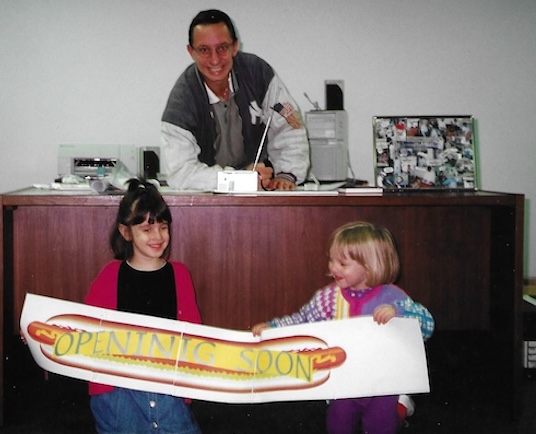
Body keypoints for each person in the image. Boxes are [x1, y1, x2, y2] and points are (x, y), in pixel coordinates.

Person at [252, 221, 435, 434]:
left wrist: (400, 314)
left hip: (384, 384)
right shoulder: (329, 297)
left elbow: (427, 325)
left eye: (343, 264)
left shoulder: (393, 297)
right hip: (344, 381)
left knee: (381, 426)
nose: (333, 268)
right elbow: (302, 320)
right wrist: (273, 328)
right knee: (338, 424)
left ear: (371, 266)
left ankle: (400, 407)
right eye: (331, 260)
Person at [84, 178, 202, 434]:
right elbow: (85, 327)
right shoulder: (110, 275)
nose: (158, 236)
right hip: (118, 393)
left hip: (167, 387)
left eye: (163, 227)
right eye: (147, 230)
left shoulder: (179, 274)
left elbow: (194, 333)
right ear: (126, 232)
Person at [161, 9, 310, 191]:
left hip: (263, 190)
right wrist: (239, 180)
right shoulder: (182, 99)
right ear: (191, 52)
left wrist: (286, 175)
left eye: (222, 48)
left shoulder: (258, 74)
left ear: (235, 46)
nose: (215, 60)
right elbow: (180, 173)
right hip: (208, 198)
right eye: (204, 50)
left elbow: (289, 127)